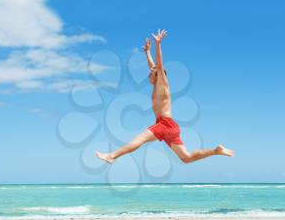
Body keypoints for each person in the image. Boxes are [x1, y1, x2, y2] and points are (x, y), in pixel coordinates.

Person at [96, 29, 234, 164]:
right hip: (168, 126)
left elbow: (159, 65)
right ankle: (216, 150)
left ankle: (111, 156)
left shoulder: (162, 82)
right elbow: (153, 67)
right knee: (186, 158)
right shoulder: (157, 83)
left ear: (158, 75)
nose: (148, 75)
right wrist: (147, 52)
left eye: (151, 74)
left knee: (141, 138)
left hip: (165, 124)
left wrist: (158, 44)